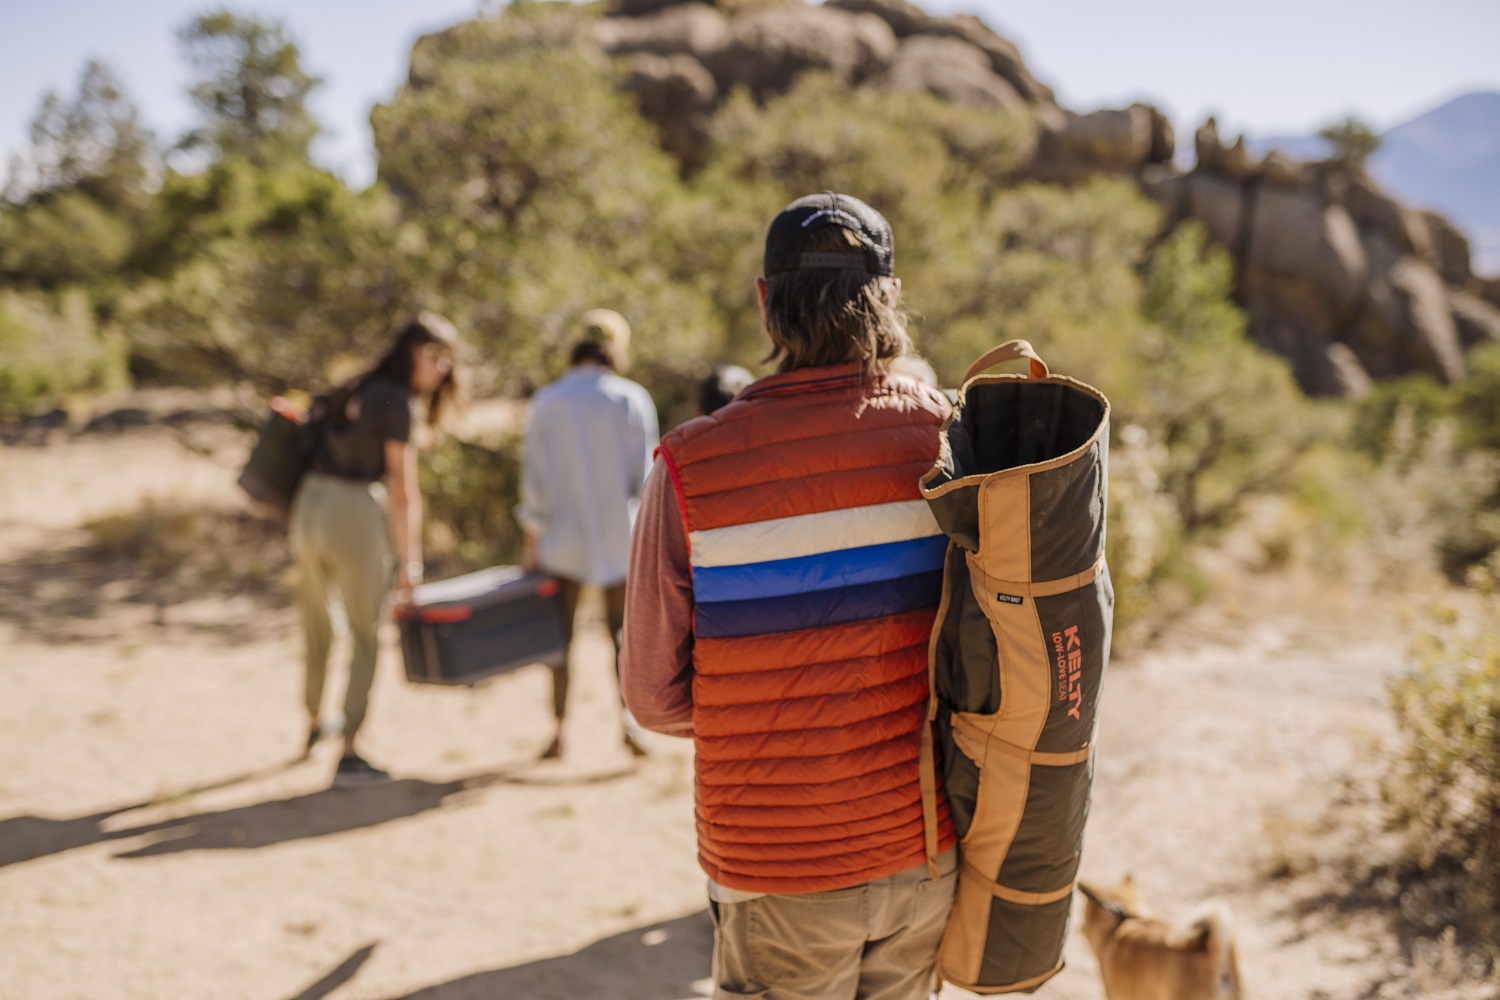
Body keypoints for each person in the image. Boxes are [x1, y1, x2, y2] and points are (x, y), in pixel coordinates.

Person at [620, 192, 959, 999]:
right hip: (924, 849)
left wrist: (766, 696)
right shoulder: (949, 437)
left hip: (777, 862)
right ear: (888, 299)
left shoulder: (689, 466)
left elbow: (651, 697)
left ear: (766, 303)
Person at [291, 312, 459, 788]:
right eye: (435, 357)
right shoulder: (396, 401)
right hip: (352, 513)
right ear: (411, 353)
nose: (441, 370)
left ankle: (312, 723)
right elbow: (403, 491)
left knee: (316, 623)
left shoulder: (353, 386)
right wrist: (410, 564)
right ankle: (349, 751)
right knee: (366, 635)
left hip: (309, 506)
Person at [517, 308, 659, 761]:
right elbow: (646, 479)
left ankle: (558, 731)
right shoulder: (631, 399)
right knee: (624, 638)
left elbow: (533, 480)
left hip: (562, 539)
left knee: (559, 639)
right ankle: (629, 724)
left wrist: (532, 536)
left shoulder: (548, 401)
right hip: (622, 538)